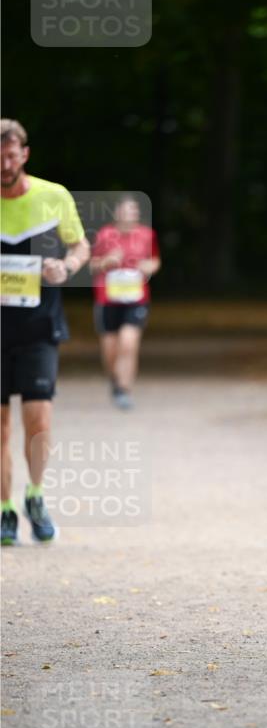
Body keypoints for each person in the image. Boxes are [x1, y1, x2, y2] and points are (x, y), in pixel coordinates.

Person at [1, 118, 90, 545]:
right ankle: (5, 510)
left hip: (39, 326)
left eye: (11, 154)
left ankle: (35, 494)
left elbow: (80, 245)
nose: (4, 163)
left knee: (37, 422)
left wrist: (67, 267)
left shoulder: (53, 196)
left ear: (24, 155)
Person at [90, 195, 160, 410]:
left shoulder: (147, 235)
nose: (131, 215)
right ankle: (115, 381)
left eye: (135, 212)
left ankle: (124, 389)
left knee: (128, 343)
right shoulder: (105, 235)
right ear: (117, 213)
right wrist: (106, 261)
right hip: (107, 298)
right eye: (127, 211)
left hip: (136, 298)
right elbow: (91, 266)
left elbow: (155, 261)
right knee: (110, 349)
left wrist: (149, 267)